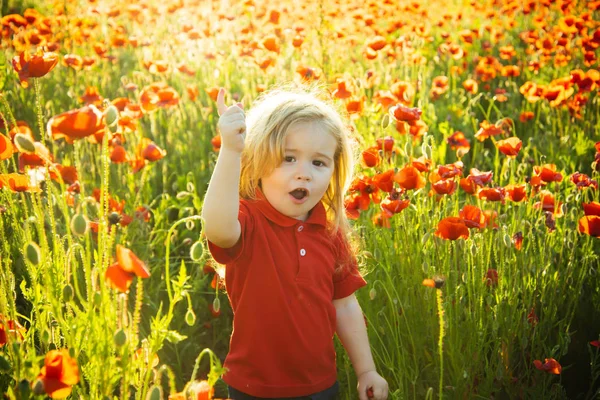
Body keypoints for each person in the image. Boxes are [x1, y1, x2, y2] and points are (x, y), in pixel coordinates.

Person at [201, 83, 389, 400]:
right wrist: (231, 152)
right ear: (258, 161)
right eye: (288, 158)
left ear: (334, 171)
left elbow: (344, 305)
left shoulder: (329, 231)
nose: (304, 173)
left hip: (320, 386)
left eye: (318, 162)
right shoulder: (247, 220)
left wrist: (366, 370)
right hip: (253, 387)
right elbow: (217, 229)